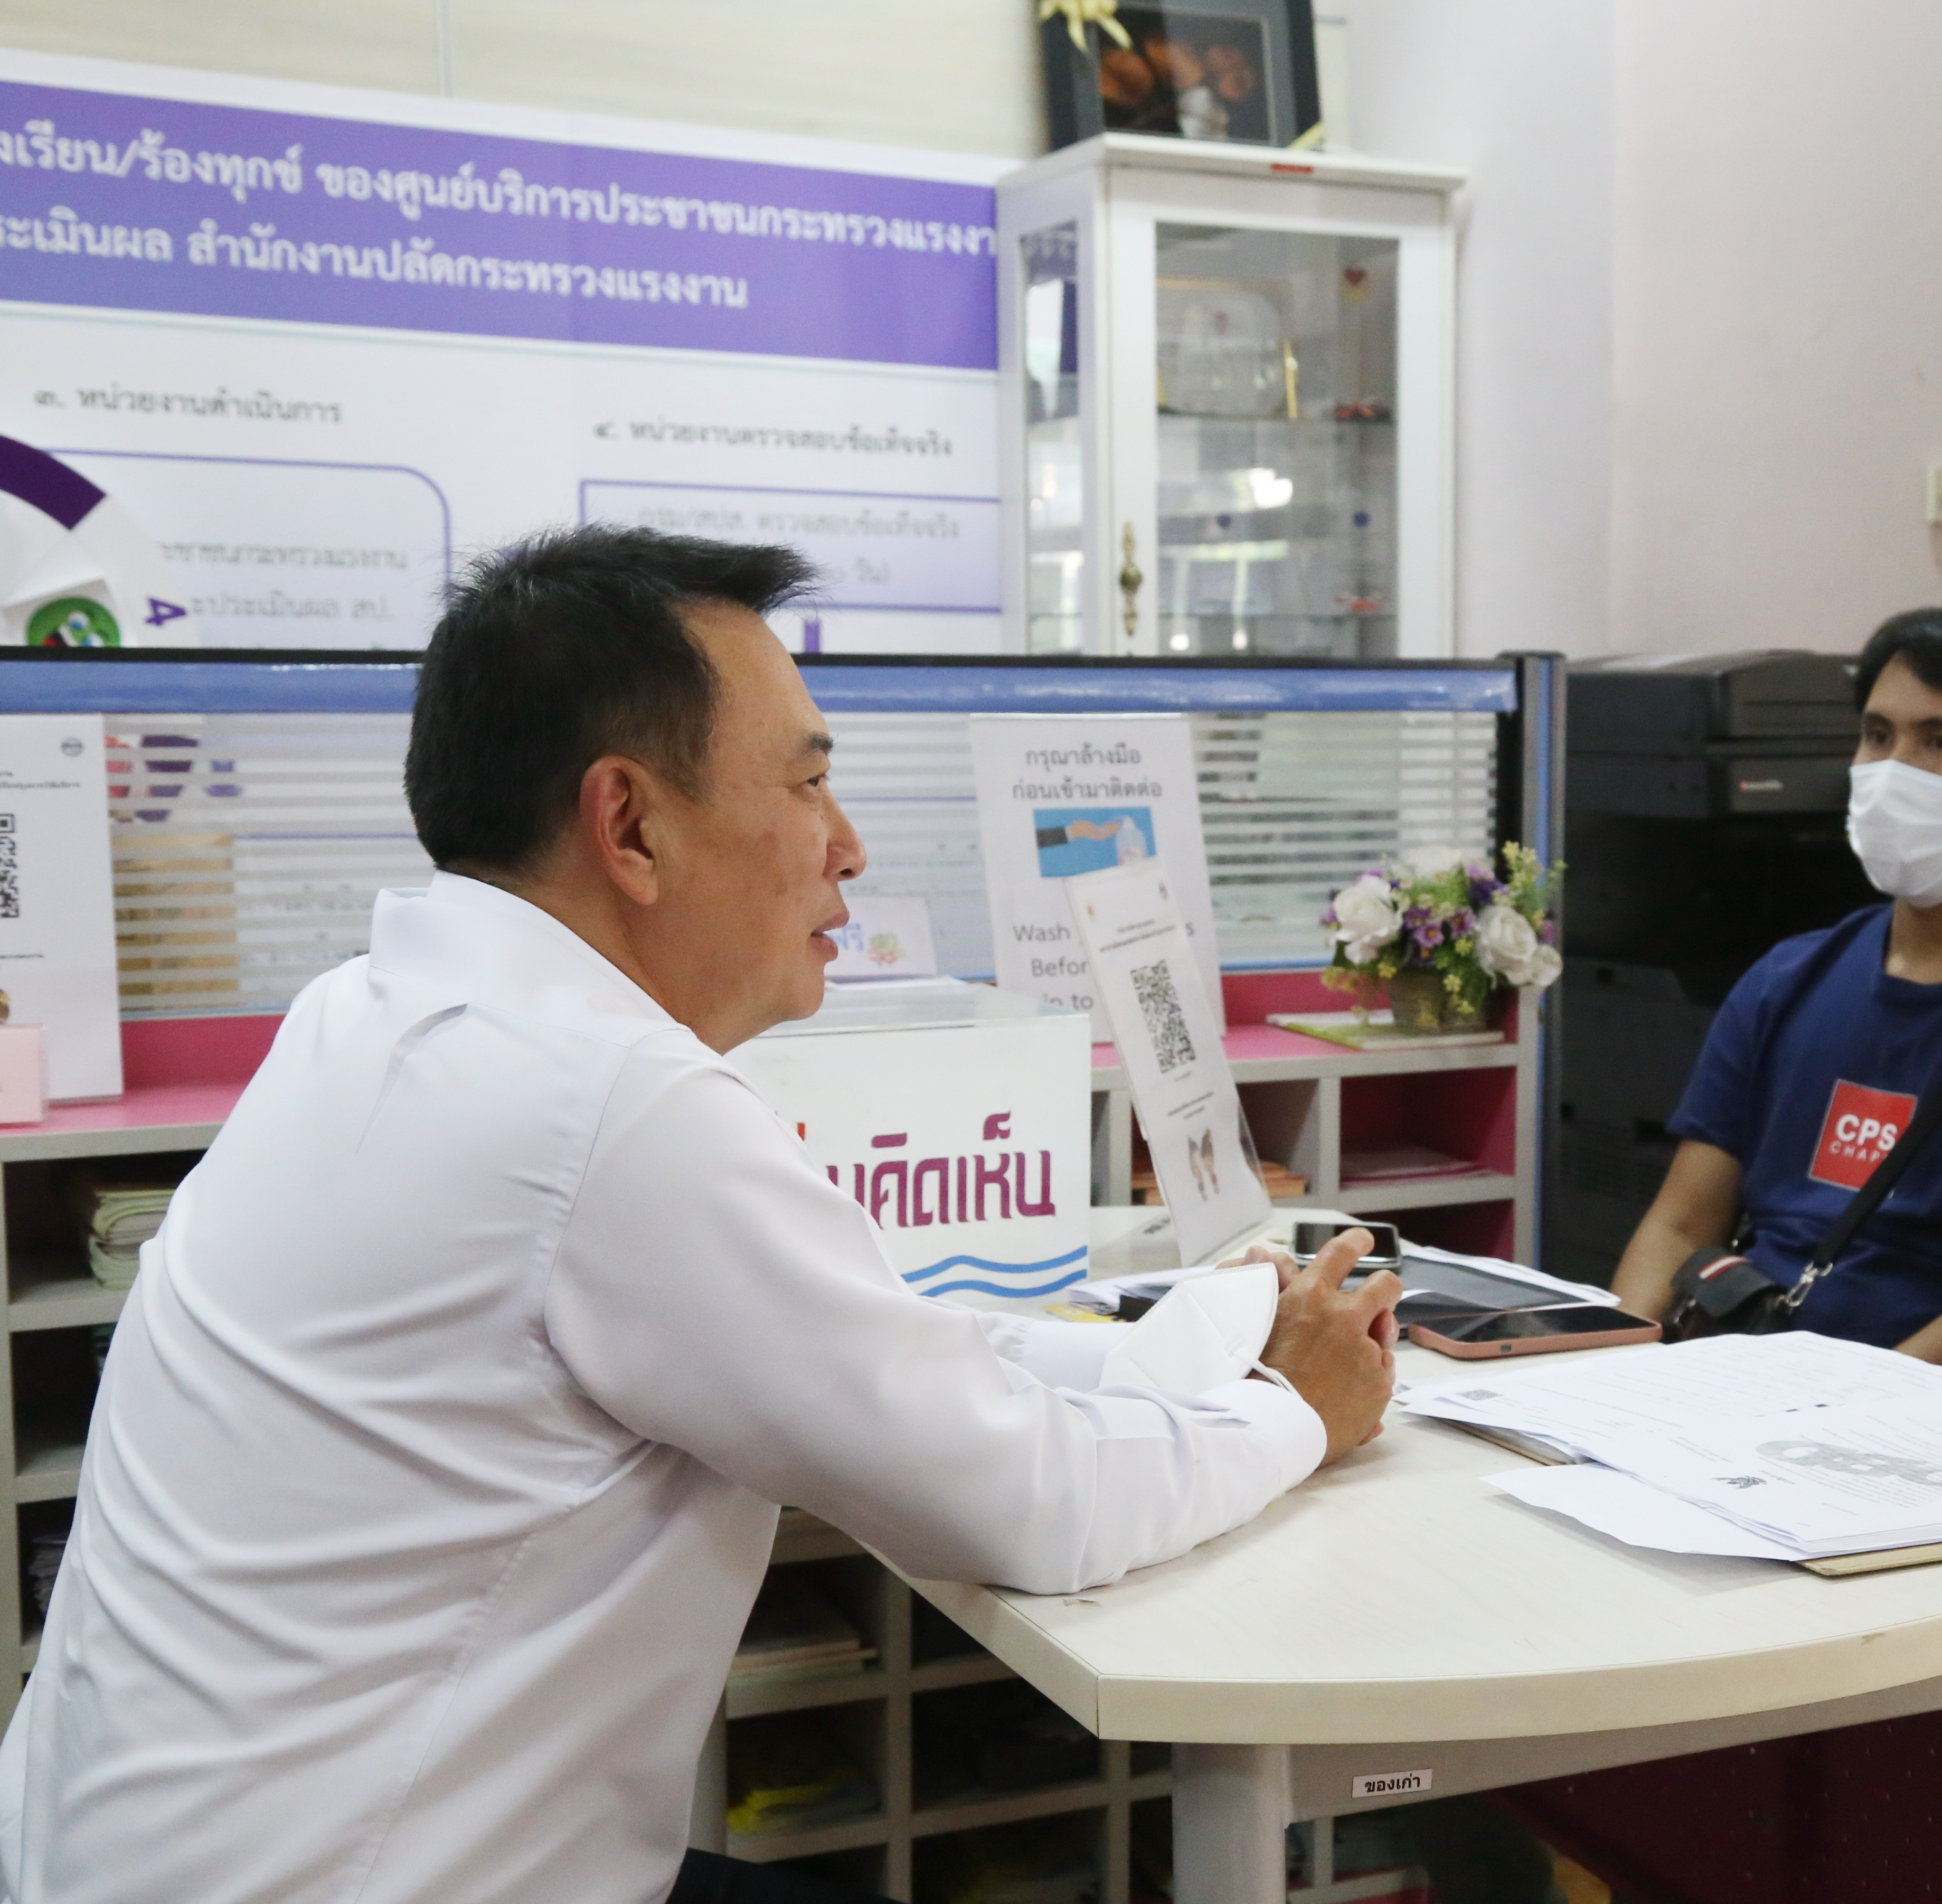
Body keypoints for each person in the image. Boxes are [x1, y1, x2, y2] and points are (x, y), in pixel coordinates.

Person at [0, 527, 1401, 1904]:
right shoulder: (605, 1102)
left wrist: (1165, 1344)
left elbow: (849, 1345)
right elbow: (1036, 1505)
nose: (847, 846)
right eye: (808, 782)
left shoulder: (373, 1012)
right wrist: (1295, 1409)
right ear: (630, 825)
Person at [1608, 601, 1942, 1369]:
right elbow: (1677, 1227)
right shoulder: (1786, 980)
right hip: (1731, 1380)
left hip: (1918, 1409)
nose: (1891, 771)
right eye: (1878, 735)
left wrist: (1841, 1414)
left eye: (1939, 740)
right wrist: (1614, 1374)